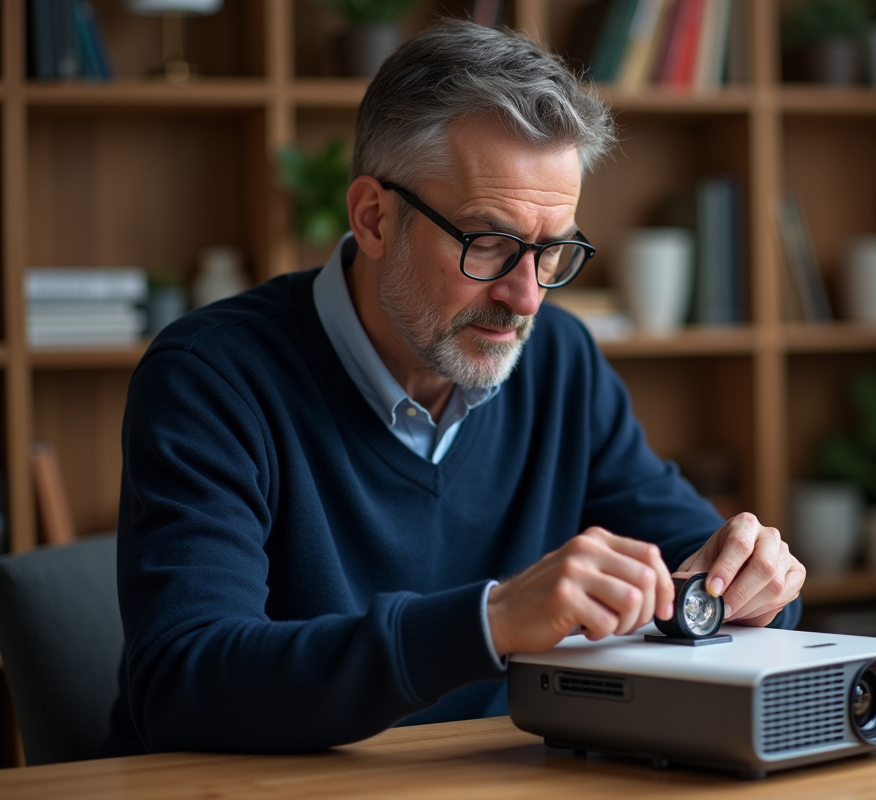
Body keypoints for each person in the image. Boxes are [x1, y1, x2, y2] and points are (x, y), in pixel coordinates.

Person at [103, 20, 804, 757]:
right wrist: (489, 623)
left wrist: (754, 586)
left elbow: (694, 559)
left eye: (553, 250)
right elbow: (181, 683)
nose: (527, 297)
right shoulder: (210, 377)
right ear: (374, 217)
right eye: (490, 243)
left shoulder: (559, 360)